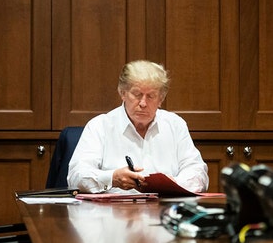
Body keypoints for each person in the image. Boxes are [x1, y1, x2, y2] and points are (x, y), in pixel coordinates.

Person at [67, 60, 209, 194]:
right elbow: (76, 176)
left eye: (151, 96)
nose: (143, 103)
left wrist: (175, 183)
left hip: (163, 211)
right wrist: (112, 178)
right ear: (122, 93)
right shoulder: (100, 126)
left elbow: (198, 171)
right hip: (113, 215)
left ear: (161, 99)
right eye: (137, 94)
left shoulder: (175, 125)